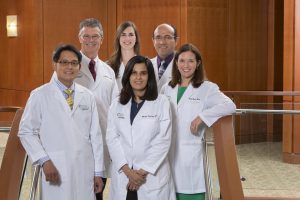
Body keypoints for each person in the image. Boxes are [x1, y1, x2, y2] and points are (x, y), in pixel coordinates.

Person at [18, 44, 104, 200]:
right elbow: (26, 131)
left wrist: (98, 172)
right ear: (54, 64)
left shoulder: (88, 96)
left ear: (79, 66)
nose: (69, 67)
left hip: (85, 167)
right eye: (64, 62)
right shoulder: (40, 95)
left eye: (73, 63)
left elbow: (96, 136)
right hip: (55, 167)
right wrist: (44, 161)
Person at [161, 43, 236, 200]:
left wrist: (202, 117)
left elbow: (230, 106)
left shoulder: (207, 88)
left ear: (198, 63)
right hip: (168, 155)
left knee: (191, 194)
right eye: (182, 60)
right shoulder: (167, 88)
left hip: (191, 156)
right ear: (176, 63)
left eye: (191, 61)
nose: (186, 65)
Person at [106, 55, 176, 200]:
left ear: (149, 76)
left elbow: (163, 140)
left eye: (143, 73)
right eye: (134, 73)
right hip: (124, 175)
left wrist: (141, 173)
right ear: (128, 76)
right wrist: (128, 172)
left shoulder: (162, 102)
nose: (138, 77)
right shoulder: (117, 103)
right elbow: (112, 139)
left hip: (150, 175)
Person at [76, 18, 119, 200]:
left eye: (95, 36)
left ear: (101, 39)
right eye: (86, 36)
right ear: (79, 38)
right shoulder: (69, 66)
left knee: (98, 191)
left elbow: (116, 106)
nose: (90, 40)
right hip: (77, 141)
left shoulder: (108, 71)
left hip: (102, 141)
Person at [107, 21, 140, 90]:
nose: (127, 38)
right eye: (123, 35)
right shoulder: (108, 66)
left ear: (136, 38)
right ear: (118, 38)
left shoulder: (145, 64)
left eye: (131, 35)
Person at [151, 23, 178, 91]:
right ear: (153, 41)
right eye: (158, 37)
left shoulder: (184, 67)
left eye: (168, 37)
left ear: (176, 41)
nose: (162, 42)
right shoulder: (146, 64)